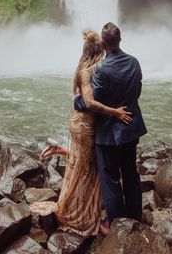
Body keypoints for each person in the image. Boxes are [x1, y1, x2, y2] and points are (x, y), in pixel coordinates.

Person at [40, 30, 132, 236]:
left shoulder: (82, 67)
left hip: (77, 120)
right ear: (100, 50)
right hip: (85, 124)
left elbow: (82, 99)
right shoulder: (90, 71)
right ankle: (81, 214)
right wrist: (115, 112)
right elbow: (89, 103)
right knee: (90, 167)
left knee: (84, 162)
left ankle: (61, 150)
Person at [75, 22, 146, 234]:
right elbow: (137, 90)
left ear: (103, 44)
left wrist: (76, 101)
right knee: (131, 174)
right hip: (130, 126)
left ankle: (116, 223)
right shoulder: (134, 62)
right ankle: (136, 217)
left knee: (110, 179)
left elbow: (91, 103)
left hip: (108, 133)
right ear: (120, 40)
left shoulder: (101, 70)